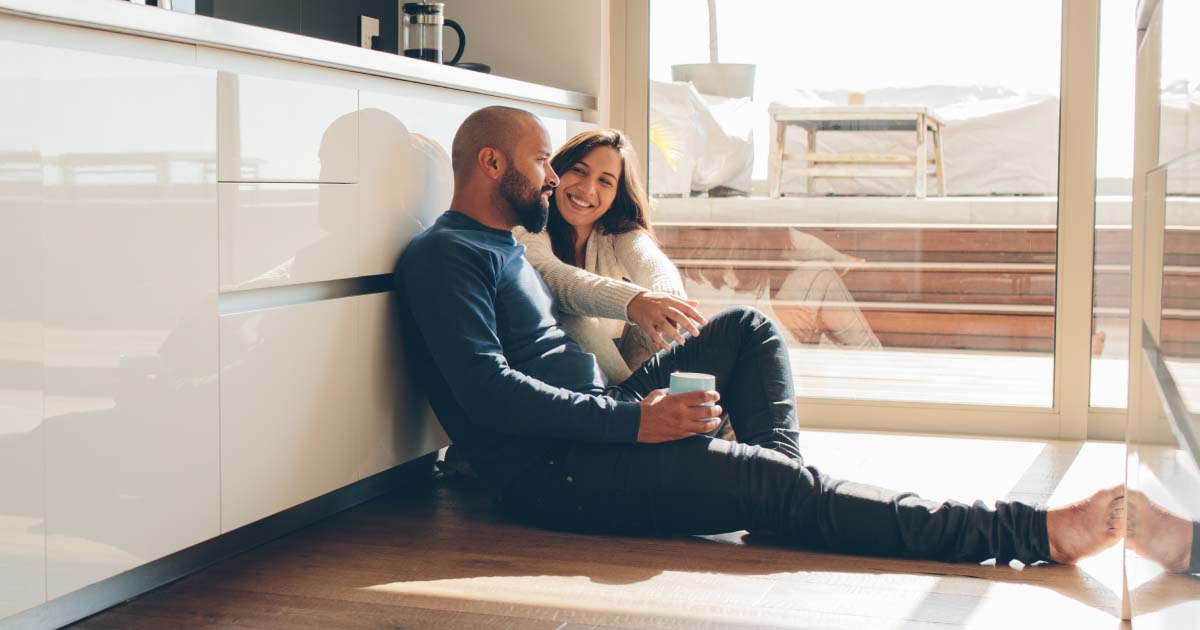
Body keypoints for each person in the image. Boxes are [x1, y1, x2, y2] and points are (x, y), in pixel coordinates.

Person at [394, 105, 1123, 566]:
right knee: (774, 485)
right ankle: (1029, 536)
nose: (552, 178)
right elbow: (487, 396)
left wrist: (631, 408)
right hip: (560, 475)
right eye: (542, 161)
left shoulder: (510, 249)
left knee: (749, 329)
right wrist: (634, 423)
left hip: (602, 423)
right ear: (492, 164)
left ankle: (776, 496)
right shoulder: (443, 256)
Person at [517, 129, 877, 384]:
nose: (587, 189)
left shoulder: (618, 234)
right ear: (556, 173)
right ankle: (635, 404)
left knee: (749, 332)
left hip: (629, 365)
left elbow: (656, 268)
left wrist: (663, 304)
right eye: (578, 171)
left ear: (616, 195)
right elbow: (556, 279)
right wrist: (636, 302)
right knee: (574, 315)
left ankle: (750, 450)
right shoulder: (530, 231)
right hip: (575, 375)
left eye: (605, 181)